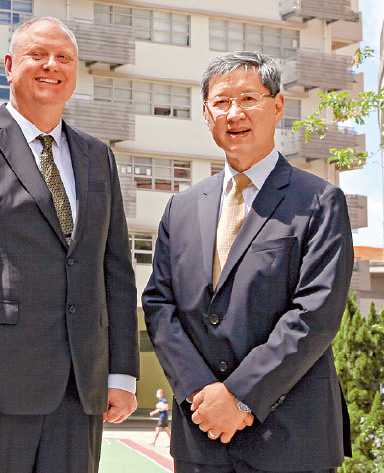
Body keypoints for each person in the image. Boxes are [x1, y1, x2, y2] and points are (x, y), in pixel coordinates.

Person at [0, 17, 139, 473]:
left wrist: (121, 373)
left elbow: (114, 270)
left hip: (81, 391)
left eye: (64, 58)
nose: (51, 65)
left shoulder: (98, 156)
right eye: (38, 55)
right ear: (10, 66)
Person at [141, 51, 354, 473]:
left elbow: (315, 314)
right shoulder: (180, 209)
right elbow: (159, 307)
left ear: (277, 106)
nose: (234, 113)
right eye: (221, 102)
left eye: (248, 99)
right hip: (201, 437)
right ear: (206, 114)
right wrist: (203, 391)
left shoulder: (319, 201)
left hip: (291, 439)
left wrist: (238, 395)